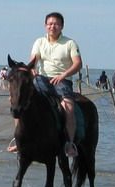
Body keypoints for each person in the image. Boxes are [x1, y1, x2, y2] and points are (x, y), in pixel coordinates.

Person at [8, 11, 83, 156]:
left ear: (62, 26)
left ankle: (69, 143)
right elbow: (34, 59)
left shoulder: (70, 43)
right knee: (18, 101)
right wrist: (33, 70)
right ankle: (19, 139)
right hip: (42, 79)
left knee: (68, 106)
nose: (52, 26)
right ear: (45, 26)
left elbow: (78, 64)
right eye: (49, 24)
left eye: (56, 24)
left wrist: (63, 75)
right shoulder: (39, 42)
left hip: (62, 80)